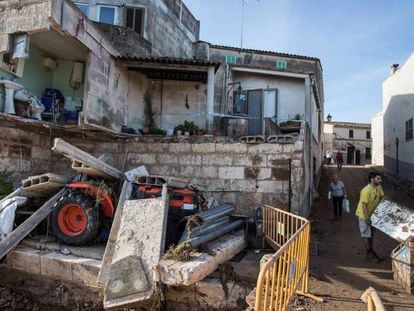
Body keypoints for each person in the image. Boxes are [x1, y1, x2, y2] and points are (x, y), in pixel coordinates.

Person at [355, 172, 384, 263]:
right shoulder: (366, 190)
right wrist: (367, 218)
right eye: (378, 179)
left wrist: (382, 208)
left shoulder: (378, 187)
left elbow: (382, 197)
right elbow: (364, 205)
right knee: (366, 234)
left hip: (373, 215)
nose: (380, 180)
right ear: (372, 179)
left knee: (371, 235)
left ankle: (371, 251)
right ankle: (369, 252)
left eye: (380, 178)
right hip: (364, 215)